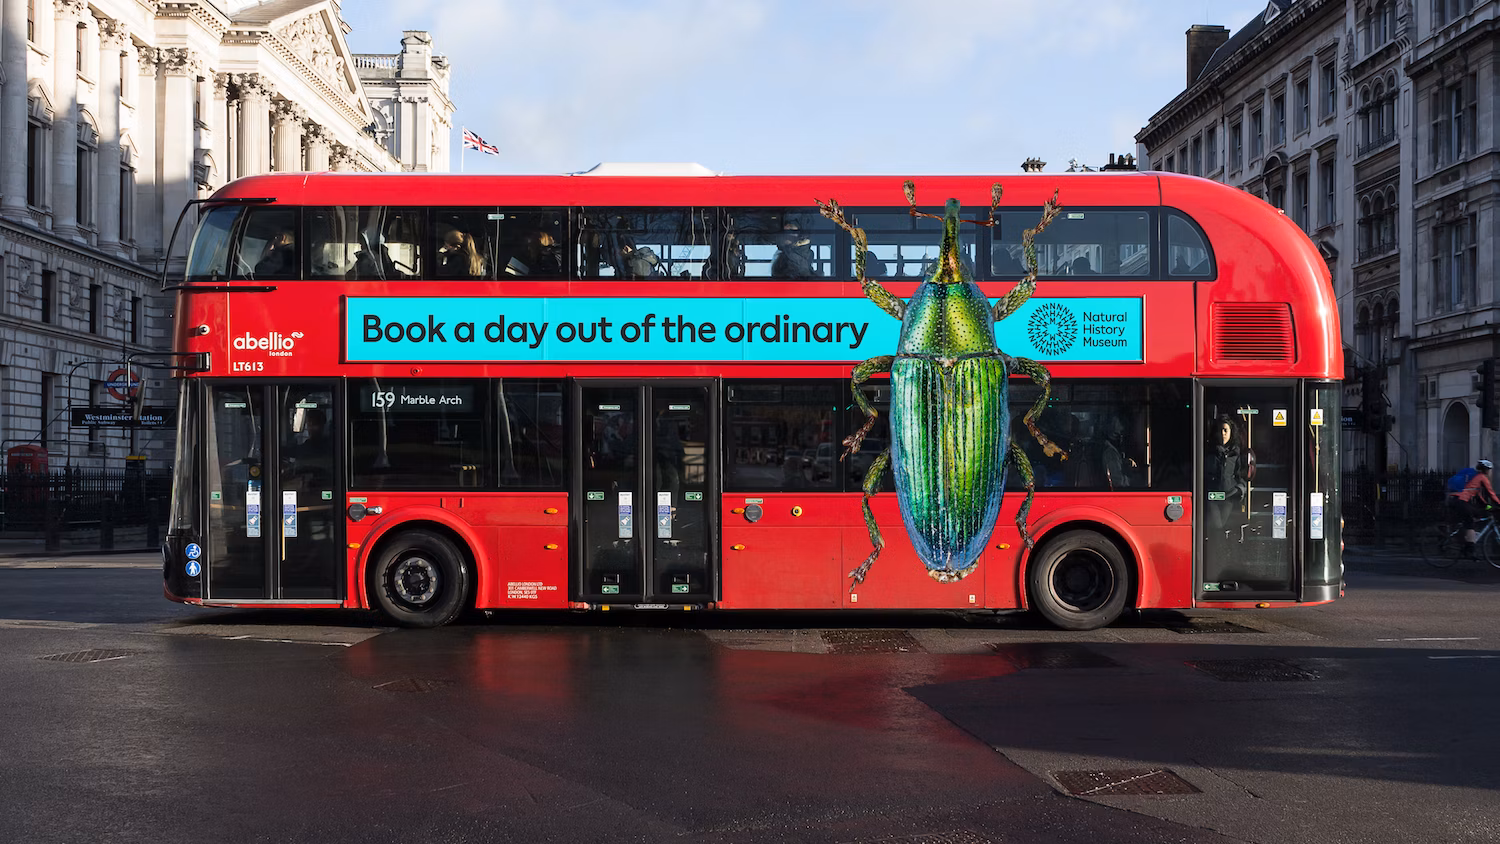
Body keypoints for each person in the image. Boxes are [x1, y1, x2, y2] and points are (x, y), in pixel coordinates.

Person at [1204, 415, 1248, 544]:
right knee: (1216, 526)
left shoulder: (1236, 453)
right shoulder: (1209, 452)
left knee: (1223, 527)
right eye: (1220, 430)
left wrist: (1239, 489)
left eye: (1225, 430)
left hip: (1229, 496)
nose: (1222, 434)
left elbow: (1241, 475)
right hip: (1212, 497)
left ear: (1231, 432)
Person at [1453, 459, 1500, 553]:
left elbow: (1480, 498)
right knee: (1470, 522)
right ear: (1487, 470)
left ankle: (1467, 538)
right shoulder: (1482, 478)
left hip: (1458, 500)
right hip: (1462, 501)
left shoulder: (1476, 478)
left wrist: (1488, 507)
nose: (1491, 473)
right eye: (1491, 471)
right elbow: (1491, 494)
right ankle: (1470, 549)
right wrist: (1498, 504)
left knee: (1475, 514)